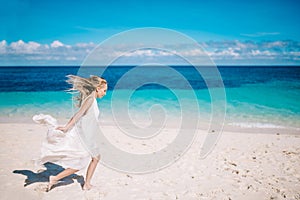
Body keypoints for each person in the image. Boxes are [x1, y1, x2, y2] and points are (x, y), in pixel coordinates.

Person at [33, 75, 107, 192]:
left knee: (93, 158)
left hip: (87, 134)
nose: (105, 93)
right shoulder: (90, 99)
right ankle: (58, 179)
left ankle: (85, 183)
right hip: (84, 136)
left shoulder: (91, 99)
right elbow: (78, 114)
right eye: (104, 90)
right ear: (97, 88)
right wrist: (67, 127)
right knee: (84, 161)